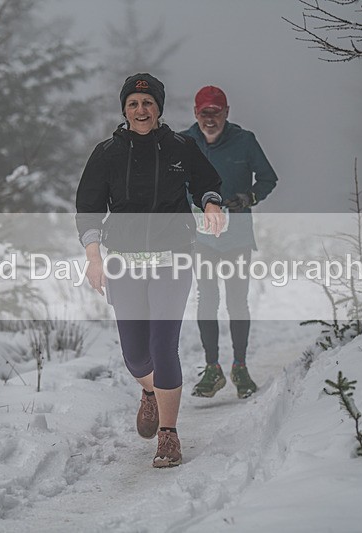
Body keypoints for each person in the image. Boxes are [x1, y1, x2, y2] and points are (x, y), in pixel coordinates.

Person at [76, 73, 224, 468]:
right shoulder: (107, 153)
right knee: (135, 355)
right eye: (133, 104)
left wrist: (210, 204)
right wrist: (93, 256)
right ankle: (151, 392)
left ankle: (169, 434)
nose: (141, 110)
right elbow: (89, 206)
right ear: (125, 111)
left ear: (158, 107)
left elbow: (207, 181)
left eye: (147, 103)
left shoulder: (181, 147)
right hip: (123, 260)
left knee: (163, 345)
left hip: (172, 257)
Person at [183, 85, 279, 399]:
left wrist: (248, 197)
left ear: (226, 112)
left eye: (215, 112)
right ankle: (212, 368)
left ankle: (240, 367)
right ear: (195, 113)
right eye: (203, 112)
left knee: (237, 301)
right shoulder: (184, 143)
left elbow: (268, 178)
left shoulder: (244, 141)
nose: (209, 119)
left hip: (237, 234)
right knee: (206, 300)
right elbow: (174, 181)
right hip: (201, 236)